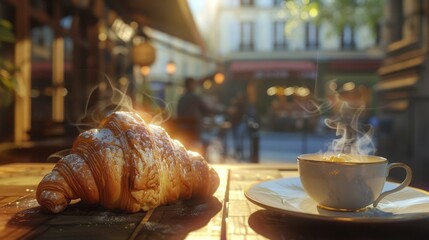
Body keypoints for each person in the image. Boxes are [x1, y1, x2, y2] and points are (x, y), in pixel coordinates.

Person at [176, 77, 212, 156]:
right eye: (193, 84)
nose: (195, 86)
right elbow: (206, 110)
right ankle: (203, 159)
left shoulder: (181, 99)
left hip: (183, 130)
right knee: (206, 140)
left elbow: (178, 113)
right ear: (190, 85)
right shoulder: (195, 98)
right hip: (195, 130)